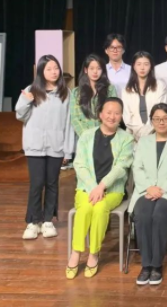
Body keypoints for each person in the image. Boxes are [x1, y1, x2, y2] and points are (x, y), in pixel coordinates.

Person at [66, 98, 134, 279]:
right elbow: (79, 164)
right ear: (101, 114)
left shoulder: (126, 139)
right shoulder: (86, 136)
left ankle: (94, 253)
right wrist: (93, 188)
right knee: (85, 209)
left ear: (121, 116)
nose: (112, 116)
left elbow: (121, 168)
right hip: (86, 189)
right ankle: (76, 252)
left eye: (117, 113)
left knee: (100, 207)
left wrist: (102, 186)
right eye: (108, 112)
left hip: (113, 191)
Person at [16, 55, 74, 240]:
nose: (53, 72)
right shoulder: (31, 90)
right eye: (49, 69)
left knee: (52, 183)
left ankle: (48, 220)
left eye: (56, 68)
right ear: (41, 71)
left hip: (56, 145)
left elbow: (69, 123)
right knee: (36, 183)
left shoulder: (66, 93)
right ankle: (33, 222)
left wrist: (68, 150)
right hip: (34, 145)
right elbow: (20, 115)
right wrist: (27, 100)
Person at [130, 104, 167, 286]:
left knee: (160, 213)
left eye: (165, 118)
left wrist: (161, 189)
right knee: (142, 214)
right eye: (157, 119)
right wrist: (149, 187)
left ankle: (156, 265)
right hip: (145, 191)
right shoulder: (143, 142)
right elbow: (137, 168)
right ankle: (145, 265)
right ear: (152, 121)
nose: (161, 122)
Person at [122, 51, 167, 143]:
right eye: (139, 64)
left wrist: (147, 132)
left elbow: (160, 111)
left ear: (151, 66)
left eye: (146, 64)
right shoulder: (127, 89)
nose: (142, 68)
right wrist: (140, 133)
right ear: (134, 66)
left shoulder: (160, 86)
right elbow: (127, 117)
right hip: (132, 136)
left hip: (156, 133)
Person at [70, 54, 118, 138]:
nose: (95, 72)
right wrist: (87, 136)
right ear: (86, 70)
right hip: (84, 138)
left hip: (105, 136)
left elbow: (114, 113)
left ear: (102, 70)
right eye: (92, 68)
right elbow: (75, 118)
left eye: (98, 68)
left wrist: (103, 135)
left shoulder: (110, 90)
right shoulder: (76, 92)